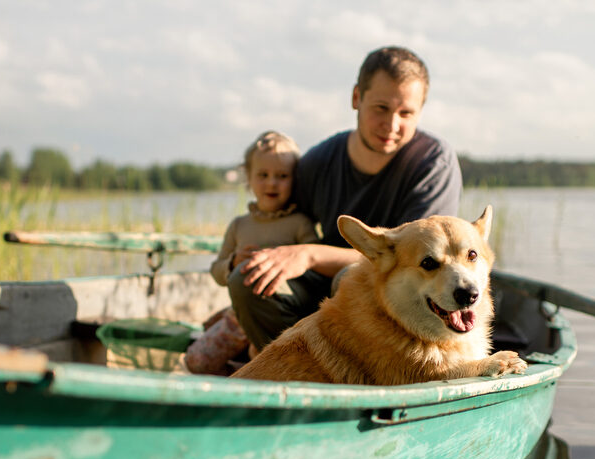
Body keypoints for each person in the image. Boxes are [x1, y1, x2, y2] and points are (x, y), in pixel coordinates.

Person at [228, 46, 463, 350]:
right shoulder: (318, 162)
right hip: (322, 290)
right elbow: (276, 220)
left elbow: (409, 265)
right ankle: (288, 370)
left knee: (351, 278)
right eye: (381, 108)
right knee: (246, 281)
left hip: (399, 296)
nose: (392, 125)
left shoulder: (432, 164)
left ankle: (368, 381)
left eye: (406, 113)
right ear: (356, 98)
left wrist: (310, 254)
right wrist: (243, 261)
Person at [185, 130, 319, 374]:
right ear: (248, 178)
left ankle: (248, 371)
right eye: (263, 175)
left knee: (265, 362)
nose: (271, 183)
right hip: (236, 319)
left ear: (295, 180)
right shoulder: (239, 225)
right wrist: (233, 263)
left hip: (277, 318)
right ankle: (231, 374)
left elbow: (315, 273)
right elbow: (216, 270)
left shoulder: (300, 223)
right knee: (196, 360)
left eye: (282, 176)